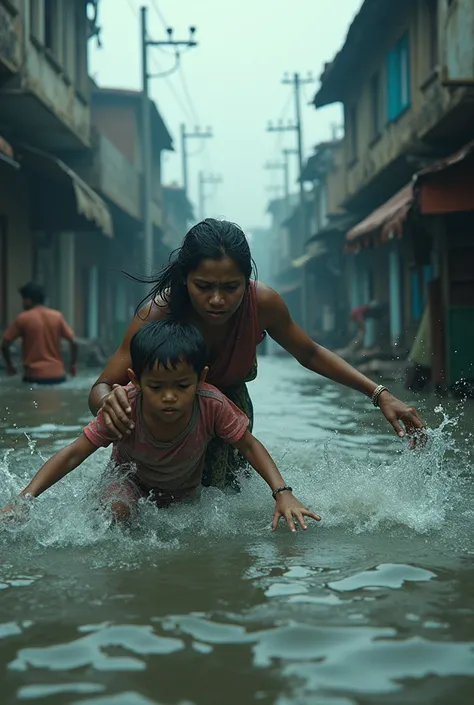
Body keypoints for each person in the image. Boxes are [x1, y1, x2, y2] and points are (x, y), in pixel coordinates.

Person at [89, 219, 424, 488]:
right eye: (203, 287)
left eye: (230, 287)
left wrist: (379, 394)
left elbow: (309, 353)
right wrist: (109, 401)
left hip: (228, 410)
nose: (217, 300)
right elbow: (101, 387)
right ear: (184, 278)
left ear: (246, 280)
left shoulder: (262, 303)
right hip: (156, 421)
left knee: (222, 507)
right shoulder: (157, 312)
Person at [2, 319, 320, 532]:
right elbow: (74, 454)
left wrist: (282, 492)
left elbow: (249, 445)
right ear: (136, 380)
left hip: (185, 493)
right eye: (156, 388)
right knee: (116, 512)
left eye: (182, 386)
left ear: (201, 378)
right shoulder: (124, 405)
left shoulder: (212, 403)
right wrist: (24, 499)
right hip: (129, 483)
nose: (169, 397)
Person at [1, 283, 77, 384]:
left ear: (28, 300)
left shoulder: (23, 318)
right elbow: (74, 342)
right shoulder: (57, 316)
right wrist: (72, 364)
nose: (22, 304)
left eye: (23, 300)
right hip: (58, 376)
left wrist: (10, 366)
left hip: (34, 377)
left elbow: (4, 345)